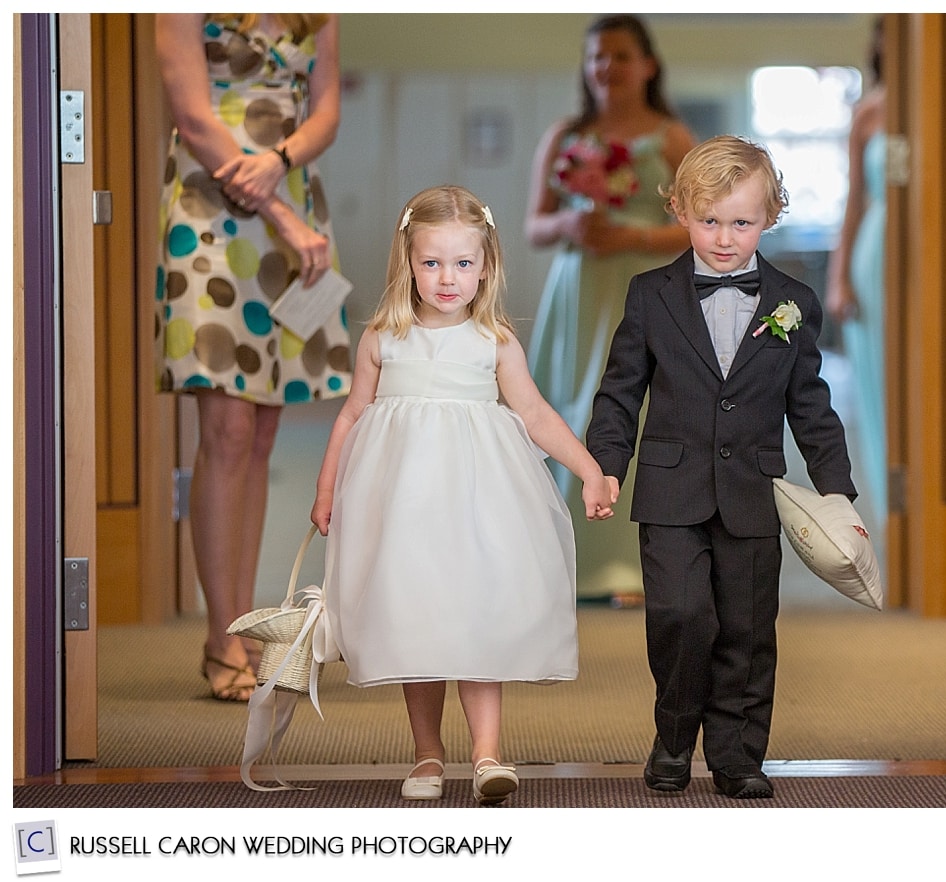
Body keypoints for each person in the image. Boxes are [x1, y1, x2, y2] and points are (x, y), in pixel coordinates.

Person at [310, 185, 617, 805]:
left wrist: (589, 469)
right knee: (415, 624)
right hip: (402, 511)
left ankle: (487, 754)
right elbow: (350, 416)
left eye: (463, 263)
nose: (447, 278)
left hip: (478, 505)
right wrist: (327, 488)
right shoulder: (382, 337)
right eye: (431, 263)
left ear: (486, 266)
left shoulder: (494, 340)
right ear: (408, 263)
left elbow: (533, 413)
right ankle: (427, 753)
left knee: (477, 618)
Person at [585, 136, 856, 799]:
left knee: (746, 628)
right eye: (710, 221)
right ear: (679, 210)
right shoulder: (650, 295)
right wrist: (605, 465)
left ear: (772, 214)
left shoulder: (793, 302)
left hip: (753, 493)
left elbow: (811, 405)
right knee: (680, 615)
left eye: (743, 222)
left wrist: (837, 492)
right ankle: (675, 733)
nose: (726, 238)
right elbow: (621, 391)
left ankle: (737, 754)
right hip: (671, 490)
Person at [154, 13, 352, 702]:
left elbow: (326, 108)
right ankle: (220, 639)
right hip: (213, 206)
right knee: (228, 428)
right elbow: (192, 113)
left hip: (290, 192)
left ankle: (244, 623)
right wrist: (281, 209)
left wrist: (284, 160)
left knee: (263, 431)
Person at [525, 14, 696, 602]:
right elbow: (532, 224)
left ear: (647, 65)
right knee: (569, 407)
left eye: (621, 55)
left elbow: (704, 226)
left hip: (645, 285)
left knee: (643, 410)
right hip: (579, 290)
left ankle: (631, 567)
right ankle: (566, 561)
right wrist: (569, 221)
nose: (607, 67)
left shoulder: (672, 138)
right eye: (597, 55)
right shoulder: (565, 136)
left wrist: (634, 238)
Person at [826, 16, 887, 569]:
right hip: (876, 249)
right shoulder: (868, 111)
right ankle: (893, 513)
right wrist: (839, 275)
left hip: (929, 252)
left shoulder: (936, 102)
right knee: (877, 384)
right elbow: (855, 200)